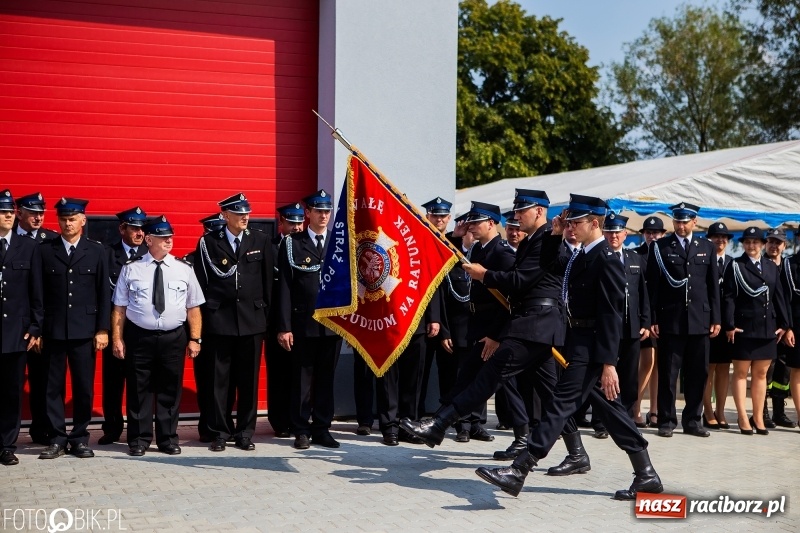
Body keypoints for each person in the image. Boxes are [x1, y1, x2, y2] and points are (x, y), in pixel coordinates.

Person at [473, 195, 662, 500]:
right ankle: (646, 474)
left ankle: (520, 469)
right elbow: (550, 263)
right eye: (569, 221)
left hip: (592, 347)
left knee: (560, 404)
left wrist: (608, 363)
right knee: (611, 410)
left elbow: (612, 316)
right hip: (578, 340)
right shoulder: (581, 255)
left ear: (594, 223)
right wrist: (554, 234)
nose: (571, 226)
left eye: (576, 222)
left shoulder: (607, 259)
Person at [401, 189, 588, 479]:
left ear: (539, 211)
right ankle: (577, 453)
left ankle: (439, 425)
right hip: (534, 325)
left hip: (535, 325)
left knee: (488, 378)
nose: (514, 217)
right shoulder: (538, 240)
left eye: (520, 211)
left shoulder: (539, 242)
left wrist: (483, 275)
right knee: (553, 396)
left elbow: (520, 281)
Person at [111, 216, 205, 456]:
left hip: (173, 337)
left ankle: (167, 439)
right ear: (149, 239)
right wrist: (117, 339)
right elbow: (119, 308)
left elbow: (193, 307)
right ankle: (139, 440)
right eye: (163, 238)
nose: (168, 241)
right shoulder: (131, 268)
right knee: (138, 389)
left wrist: (195, 339)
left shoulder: (183, 269)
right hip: (139, 337)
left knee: (170, 390)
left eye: (170, 237)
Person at [194, 193, 273, 452]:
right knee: (220, 382)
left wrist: (267, 320)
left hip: (252, 321)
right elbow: (201, 285)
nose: (245, 218)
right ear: (225, 215)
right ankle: (220, 432)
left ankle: (245, 433)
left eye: (247, 213)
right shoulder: (208, 243)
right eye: (239, 214)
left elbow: (267, 284)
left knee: (248, 381)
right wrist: (204, 322)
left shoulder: (260, 240)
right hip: (220, 321)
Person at [38, 198, 110, 459]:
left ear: (83, 220)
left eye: (72, 219)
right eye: (63, 219)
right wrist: (38, 329)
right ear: (58, 221)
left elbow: (104, 294)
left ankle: (79, 438)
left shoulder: (97, 251)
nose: (67, 223)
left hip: (85, 332)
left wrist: (102, 329)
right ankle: (57, 437)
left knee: (83, 387)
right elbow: (38, 293)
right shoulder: (45, 250)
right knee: (52, 387)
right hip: (54, 330)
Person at [646, 202, 720, 438]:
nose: (680, 225)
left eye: (685, 221)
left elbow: (712, 287)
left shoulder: (706, 247)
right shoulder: (660, 247)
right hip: (671, 320)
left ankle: (692, 420)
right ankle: (667, 420)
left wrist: (716, 318)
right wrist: (653, 318)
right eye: (677, 221)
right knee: (669, 373)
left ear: (694, 222)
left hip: (699, 320)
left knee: (698, 373)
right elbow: (653, 287)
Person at [277, 190, 342, 449]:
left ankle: (322, 428)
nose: (324, 216)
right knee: (302, 379)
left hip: (332, 324)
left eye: (327, 211)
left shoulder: (339, 243)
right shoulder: (293, 243)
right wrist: (284, 327)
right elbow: (284, 287)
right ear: (308, 213)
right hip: (302, 323)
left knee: (326, 379)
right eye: (319, 211)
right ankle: (301, 428)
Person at [447, 202, 514, 443]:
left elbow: (510, 299)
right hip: (476, 321)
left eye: (476, 222)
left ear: (491, 223)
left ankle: (522, 433)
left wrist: (496, 332)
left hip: (493, 325)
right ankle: (462, 422)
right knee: (471, 376)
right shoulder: (478, 250)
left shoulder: (503, 253)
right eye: (470, 222)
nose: (471, 226)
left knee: (495, 381)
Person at [723, 227, 789, 435]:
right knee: (741, 374)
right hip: (744, 328)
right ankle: (743, 416)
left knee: (761, 375)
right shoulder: (736, 265)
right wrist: (729, 325)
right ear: (743, 244)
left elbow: (779, 296)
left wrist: (785, 324)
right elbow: (729, 297)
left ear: (762, 244)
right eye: (748, 242)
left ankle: (758, 416)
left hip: (767, 328)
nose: (751, 246)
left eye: (755, 242)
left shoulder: (770, 266)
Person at [98, 206, 148, 446]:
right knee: (113, 383)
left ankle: (141, 431)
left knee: (143, 384)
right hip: (117, 329)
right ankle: (112, 428)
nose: (139, 233)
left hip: (143, 332)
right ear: (122, 229)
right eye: (134, 228)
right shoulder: (107, 255)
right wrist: (104, 330)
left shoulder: (152, 254)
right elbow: (101, 294)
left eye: (142, 228)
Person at [0, 190, 43, 466]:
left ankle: (6, 444)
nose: (6, 216)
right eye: (1, 212)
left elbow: (36, 291)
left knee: (11, 391)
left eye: (9, 212)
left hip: (15, 332)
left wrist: (36, 327)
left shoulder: (27, 247)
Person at [14, 192, 59, 445]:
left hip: (41, 326)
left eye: (41, 213)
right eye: (33, 213)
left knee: (44, 381)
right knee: (12, 381)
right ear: (19, 213)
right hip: (15, 324)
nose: (38, 217)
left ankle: (43, 429)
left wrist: (40, 328)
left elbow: (50, 291)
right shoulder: (8, 240)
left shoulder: (51, 240)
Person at [602, 214, 650, 419]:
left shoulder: (634, 258)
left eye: (618, 232)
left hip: (632, 325)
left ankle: (627, 416)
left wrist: (646, 321)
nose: (614, 236)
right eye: (610, 232)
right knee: (605, 374)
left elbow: (643, 292)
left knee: (629, 375)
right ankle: (602, 419)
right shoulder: (600, 256)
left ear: (625, 234)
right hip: (608, 327)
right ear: (604, 233)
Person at [189, 213, 228, 442]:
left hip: (225, 328)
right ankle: (207, 425)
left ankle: (225, 424)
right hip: (203, 331)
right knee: (207, 381)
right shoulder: (191, 261)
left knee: (226, 381)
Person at [417, 197, 458, 420]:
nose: (439, 220)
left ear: (449, 219)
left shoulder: (455, 245)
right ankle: (417, 413)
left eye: (443, 216)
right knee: (419, 372)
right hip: (423, 319)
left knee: (449, 373)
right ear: (427, 217)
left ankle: (446, 417)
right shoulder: (420, 242)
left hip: (449, 320)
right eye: (435, 216)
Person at [267, 203, 304, 438]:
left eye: (300, 222)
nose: (297, 227)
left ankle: (297, 419)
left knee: (298, 375)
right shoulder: (269, 247)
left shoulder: (306, 247)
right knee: (278, 373)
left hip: (299, 321)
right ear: (281, 223)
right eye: (292, 223)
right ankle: (279, 421)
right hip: (274, 321)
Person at [633, 217, 667, 428]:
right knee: (646, 363)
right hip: (642, 317)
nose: (652, 236)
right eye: (648, 232)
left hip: (663, 317)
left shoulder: (666, 254)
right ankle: (635, 408)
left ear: (663, 234)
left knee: (659, 367)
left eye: (656, 233)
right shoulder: (636, 254)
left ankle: (654, 410)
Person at [702, 222, 734, 430]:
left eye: (723, 238)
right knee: (708, 368)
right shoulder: (703, 261)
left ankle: (721, 410)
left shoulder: (733, 263)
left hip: (728, 324)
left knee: (724, 368)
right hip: (708, 323)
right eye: (715, 237)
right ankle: (708, 411)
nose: (719, 241)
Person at [764, 228, 795, 428]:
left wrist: (787, 326)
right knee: (766, 371)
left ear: (785, 245)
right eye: (771, 242)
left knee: (783, 372)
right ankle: (762, 412)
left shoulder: (788, 266)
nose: (774, 246)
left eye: (778, 242)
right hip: (767, 326)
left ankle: (779, 412)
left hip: (786, 327)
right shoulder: (761, 265)